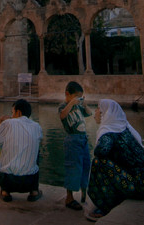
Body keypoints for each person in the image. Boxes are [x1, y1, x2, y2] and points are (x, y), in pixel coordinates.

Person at [86, 99, 144, 221]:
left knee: (99, 162)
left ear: (105, 113)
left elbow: (100, 152)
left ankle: (106, 205)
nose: (96, 111)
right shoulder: (123, 128)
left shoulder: (109, 134)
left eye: (98, 108)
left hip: (141, 188)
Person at [0, 99, 43, 202]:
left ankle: (5, 192)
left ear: (18, 112)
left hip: (8, 180)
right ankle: (34, 191)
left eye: (12, 112)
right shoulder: (37, 126)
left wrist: (0, 123)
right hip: (29, 181)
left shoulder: (8, 123)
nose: (12, 115)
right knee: (36, 151)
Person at [58, 81, 92, 210]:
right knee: (73, 167)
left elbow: (89, 113)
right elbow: (62, 115)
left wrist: (84, 103)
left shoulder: (79, 106)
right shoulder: (63, 106)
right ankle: (69, 198)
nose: (78, 99)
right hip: (72, 140)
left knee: (85, 165)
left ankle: (84, 192)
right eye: (77, 96)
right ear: (68, 94)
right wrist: (71, 103)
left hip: (83, 139)